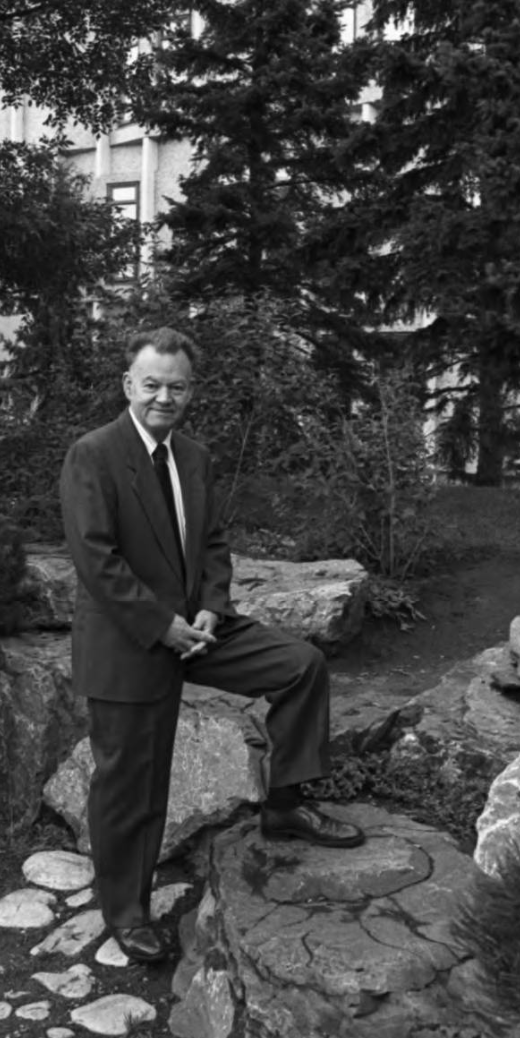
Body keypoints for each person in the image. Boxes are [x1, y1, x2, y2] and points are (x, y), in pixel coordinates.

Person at [59, 326, 363, 964]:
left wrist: (209, 607)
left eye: (176, 386)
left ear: (190, 391)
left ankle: (284, 804)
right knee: (131, 784)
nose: (163, 397)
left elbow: (215, 544)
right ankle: (126, 912)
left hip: (199, 629)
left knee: (300, 666)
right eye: (151, 385)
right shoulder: (94, 454)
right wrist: (161, 624)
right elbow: (96, 559)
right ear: (128, 386)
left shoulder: (192, 457)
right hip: (130, 639)